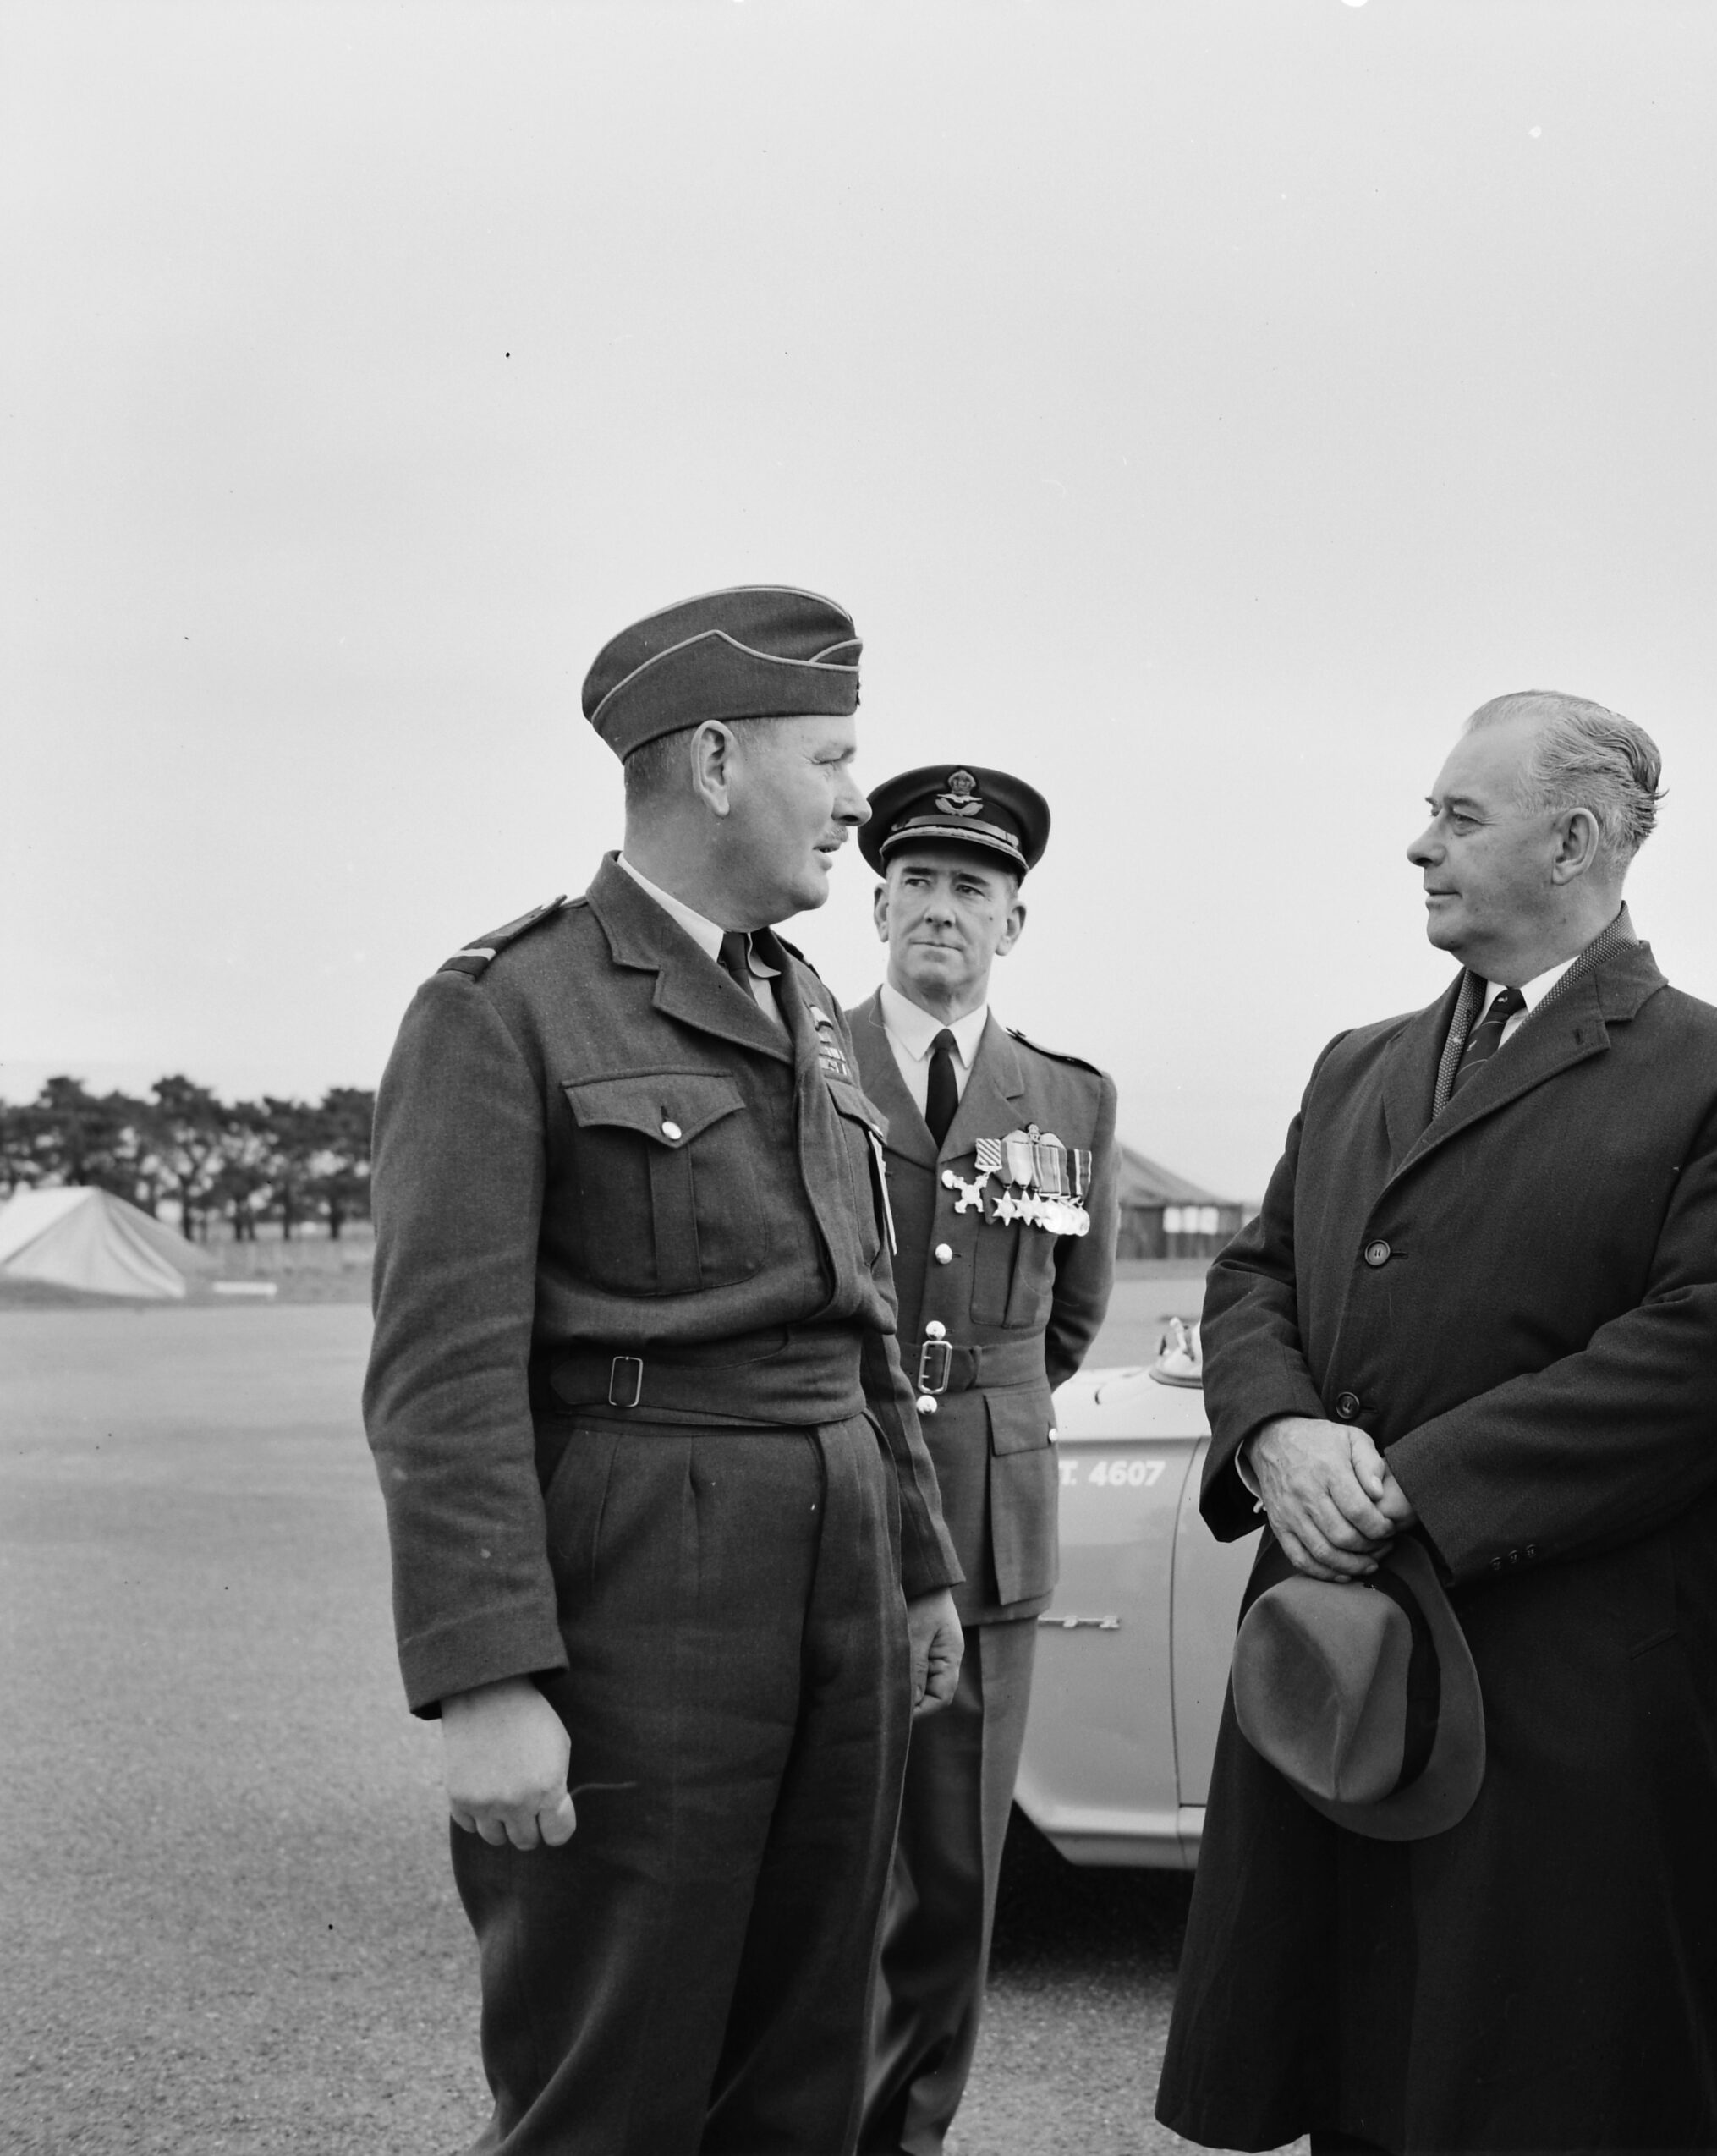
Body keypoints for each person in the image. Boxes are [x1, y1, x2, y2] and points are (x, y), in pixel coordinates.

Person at [1155, 692, 1717, 2156]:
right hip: (1338, 1666)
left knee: (1549, 2091)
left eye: (1458, 817)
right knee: (1359, 2069)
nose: (1420, 846)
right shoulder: (1357, 1062)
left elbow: (1692, 1360)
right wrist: (1276, 1434)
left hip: (1565, 1700)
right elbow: (1257, 1275)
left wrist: (1401, 1484)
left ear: (1574, 841)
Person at [361, 585, 965, 2156]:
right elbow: (442, 1373)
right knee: (611, 2080)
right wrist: (488, 1677)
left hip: (837, 1571)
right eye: (831, 759)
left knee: (803, 2070)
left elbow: (860, 1313)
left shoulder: (802, 1000)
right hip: (646, 1579)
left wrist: (916, 1566)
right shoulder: (505, 1005)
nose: (857, 801)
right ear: (712, 761)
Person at [845, 764, 1119, 2156]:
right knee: (822, 1869)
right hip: (827, 1498)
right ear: (877, 904)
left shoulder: (1067, 1098)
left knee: (954, 1876)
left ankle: (908, 2137)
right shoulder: (799, 1059)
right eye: (917, 882)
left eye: (972, 887)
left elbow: (1069, 1319)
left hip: (986, 1524)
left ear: (1014, 921)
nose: (941, 909)